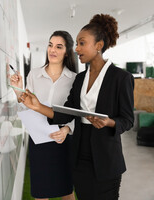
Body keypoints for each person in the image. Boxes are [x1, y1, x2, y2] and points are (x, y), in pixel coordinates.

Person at [20, 14, 134, 200]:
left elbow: (128, 120)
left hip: (105, 157)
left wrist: (109, 122)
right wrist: (38, 106)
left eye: (82, 43)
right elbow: (65, 113)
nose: (77, 48)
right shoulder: (80, 79)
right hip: (79, 154)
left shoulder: (121, 78)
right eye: (77, 44)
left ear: (98, 46)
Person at [10, 31, 77, 200]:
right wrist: (17, 88)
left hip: (63, 140)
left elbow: (77, 112)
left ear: (67, 51)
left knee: (67, 191)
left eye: (58, 46)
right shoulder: (34, 74)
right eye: (50, 45)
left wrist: (67, 129)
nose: (52, 50)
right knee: (40, 192)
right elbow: (27, 105)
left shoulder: (75, 79)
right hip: (39, 140)